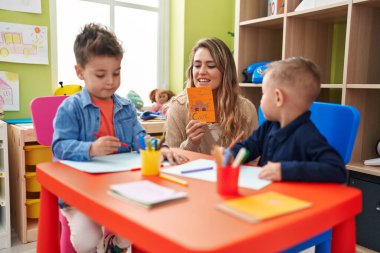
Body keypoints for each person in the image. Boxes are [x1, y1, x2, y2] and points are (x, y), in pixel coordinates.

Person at [52, 23, 187, 253]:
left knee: (143, 223)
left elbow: (139, 136)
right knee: (86, 240)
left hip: (120, 188)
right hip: (81, 192)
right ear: (80, 72)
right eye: (101, 74)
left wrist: (158, 149)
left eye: (116, 73)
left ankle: (112, 245)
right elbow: (59, 147)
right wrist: (91, 149)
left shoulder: (124, 107)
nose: (110, 81)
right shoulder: (70, 108)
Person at [231, 57, 347, 183]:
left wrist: (284, 171)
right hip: (263, 192)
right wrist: (232, 155)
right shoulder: (269, 126)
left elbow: (337, 170)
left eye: (263, 94)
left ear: (278, 98)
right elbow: (249, 147)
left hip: (289, 199)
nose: (261, 100)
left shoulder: (307, 135)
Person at [165, 37, 258, 154]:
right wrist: (191, 143)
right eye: (197, 65)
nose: (202, 72)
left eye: (211, 66)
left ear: (225, 72)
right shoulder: (178, 108)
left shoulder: (246, 109)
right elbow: (172, 160)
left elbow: (254, 157)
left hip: (230, 172)